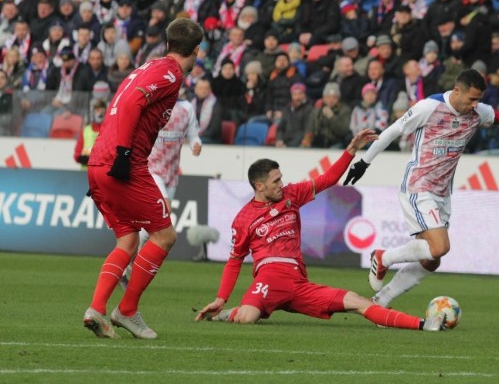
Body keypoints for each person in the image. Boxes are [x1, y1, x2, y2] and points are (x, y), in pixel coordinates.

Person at [342, 69, 499, 307]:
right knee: (440, 247)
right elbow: (392, 131)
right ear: (457, 90)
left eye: (479, 99)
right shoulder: (428, 107)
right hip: (419, 186)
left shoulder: (479, 112)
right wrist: (364, 162)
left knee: (431, 260)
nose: (475, 104)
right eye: (471, 99)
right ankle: (383, 257)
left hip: (442, 193)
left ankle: (380, 301)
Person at [193, 130, 447, 332]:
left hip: (298, 282)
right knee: (247, 318)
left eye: (281, 178)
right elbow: (235, 260)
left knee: (359, 302)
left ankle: (424, 325)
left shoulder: (291, 194)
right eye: (275, 181)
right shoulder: (244, 218)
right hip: (268, 279)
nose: (282, 184)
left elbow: (327, 179)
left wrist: (351, 150)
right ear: (259, 186)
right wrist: (221, 298)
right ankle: (230, 313)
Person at [83, 18, 204, 340]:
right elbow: (132, 104)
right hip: (123, 163)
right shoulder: (170, 74)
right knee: (164, 236)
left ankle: (96, 308)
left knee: (128, 239)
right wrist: (122, 154)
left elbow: (121, 102)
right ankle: (127, 310)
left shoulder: (149, 67)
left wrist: (108, 156)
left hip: (99, 161)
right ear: (195, 51)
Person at [119, 87, 204, 290]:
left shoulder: (186, 109)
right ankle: (130, 264)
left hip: (171, 174)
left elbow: (193, 134)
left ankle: (128, 266)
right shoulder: (154, 106)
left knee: (156, 223)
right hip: (150, 169)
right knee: (164, 212)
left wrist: (196, 144)